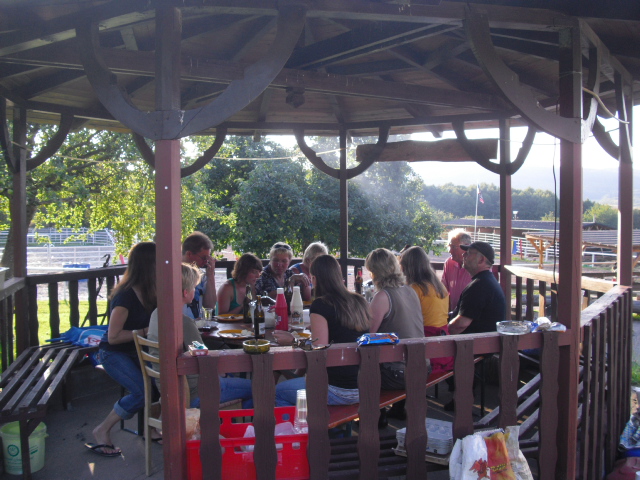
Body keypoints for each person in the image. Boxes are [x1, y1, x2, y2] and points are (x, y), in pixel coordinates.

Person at [147, 263, 253, 407]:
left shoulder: (156, 314)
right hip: (195, 393)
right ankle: (232, 422)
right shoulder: (183, 322)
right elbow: (205, 359)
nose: (195, 291)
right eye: (194, 288)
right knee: (258, 387)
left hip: (169, 391)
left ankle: (227, 419)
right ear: (185, 292)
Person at [271, 255, 370, 406]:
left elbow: (318, 350)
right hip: (364, 387)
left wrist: (293, 341)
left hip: (335, 389)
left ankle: (307, 421)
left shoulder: (321, 305)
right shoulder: (360, 301)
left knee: (276, 392)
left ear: (315, 279)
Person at [88, 242, 157, 457]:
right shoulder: (125, 296)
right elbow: (114, 337)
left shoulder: (151, 291)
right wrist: (145, 331)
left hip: (137, 351)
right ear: (149, 265)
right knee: (142, 391)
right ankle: (102, 430)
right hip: (113, 353)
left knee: (159, 384)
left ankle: (150, 429)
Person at [365, 248, 425, 391]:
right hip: (422, 367)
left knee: (354, 372)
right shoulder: (410, 290)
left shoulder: (383, 296)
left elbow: (368, 336)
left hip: (397, 373)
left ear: (374, 272)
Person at [448, 241, 506, 335]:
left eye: (469, 253)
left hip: (477, 343)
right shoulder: (485, 280)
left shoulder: (480, 285)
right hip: (483, 341)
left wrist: (444, 332)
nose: (463, 255)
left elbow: (460, 325)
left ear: (481, 260)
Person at [399, 246, 449, 334]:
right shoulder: (439, 286)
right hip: (443, 334)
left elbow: (404, 318)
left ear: (405, 267)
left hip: (424, 335)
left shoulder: (413, 289)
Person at [181, 232, 216, 319]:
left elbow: (210, 305)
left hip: (198, 323)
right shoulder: (175, 275)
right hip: (181, 323)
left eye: (208, 258)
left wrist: (210, 275)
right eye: (204, 258)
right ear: (189, 254)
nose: (206, 262)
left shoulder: (201, 275)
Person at [441, 229, 472, 312]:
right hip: (452, 313)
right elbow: (443, 290)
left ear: (466, 247)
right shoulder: (449, 263)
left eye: (453, 247)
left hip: (470, 314)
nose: (450, 251)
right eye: (449, 246)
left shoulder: (476, 266)